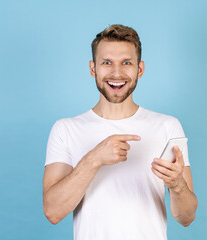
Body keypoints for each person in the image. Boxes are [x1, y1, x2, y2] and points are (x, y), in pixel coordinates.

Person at [42, 24, 198, 240]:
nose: (116, 73)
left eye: (126, 63)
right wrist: (93, 159)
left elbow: (187, 217)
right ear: (92, 68)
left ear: (139, 69)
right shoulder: (65, 129)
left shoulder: (168, 126)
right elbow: (52, 211)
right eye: (107, 63)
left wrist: (177, 185)